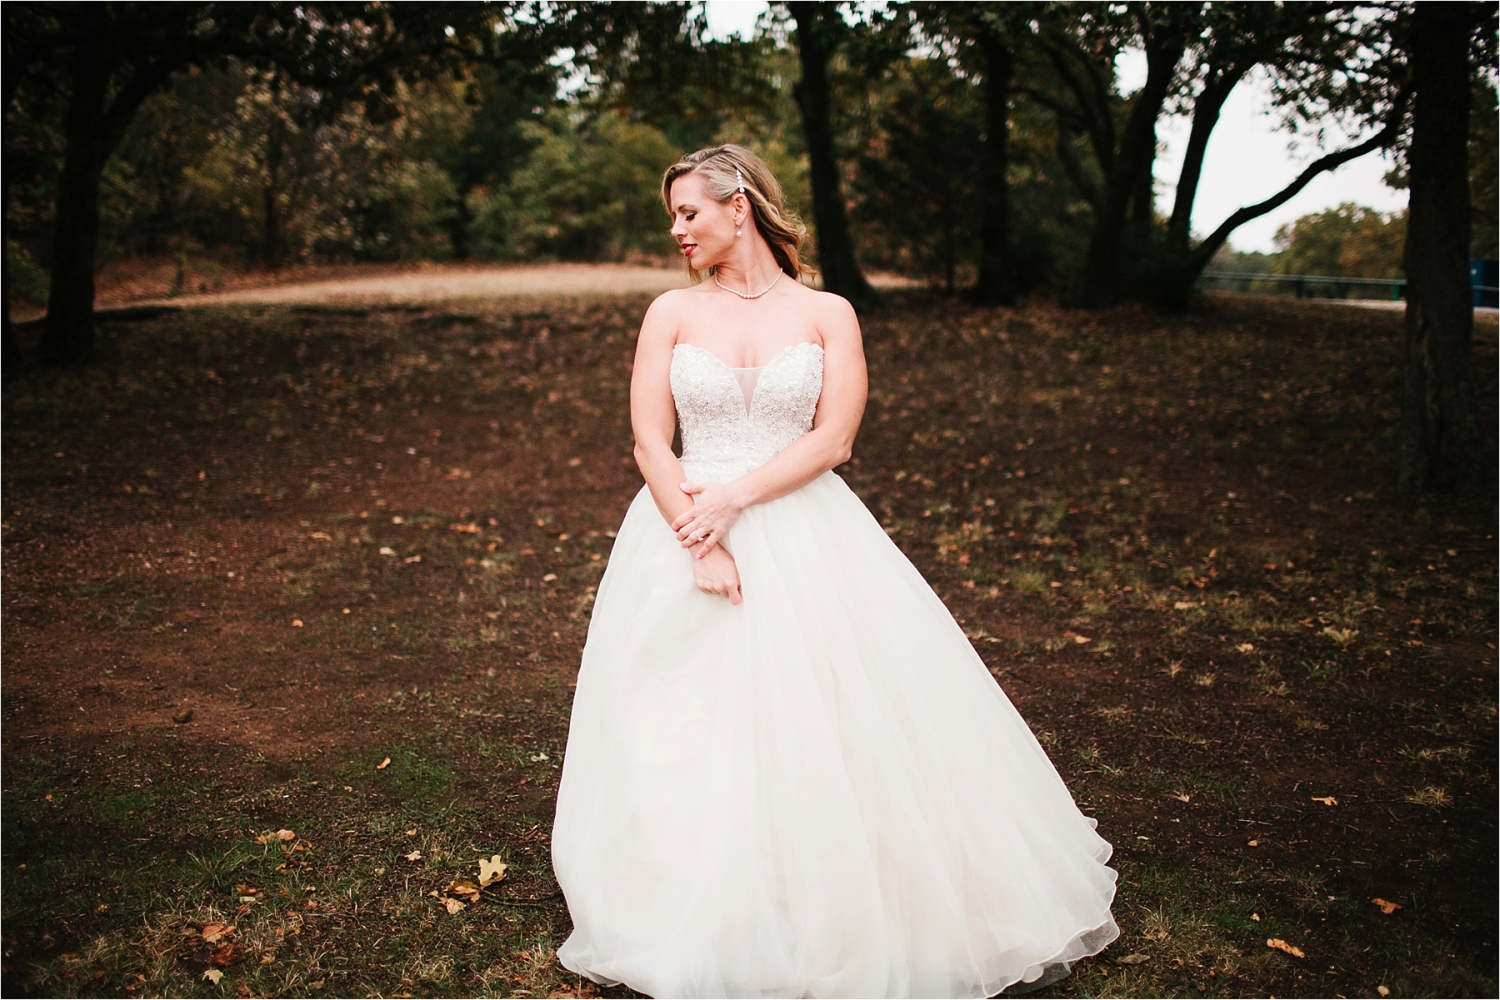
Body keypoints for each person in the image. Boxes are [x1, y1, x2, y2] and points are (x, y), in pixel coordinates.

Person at [550, 144, 1118, 999]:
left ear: (738, 206)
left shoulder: (829, 313)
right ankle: (688, 890)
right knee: (681, 717)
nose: (677, 231)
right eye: (672, 217)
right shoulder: (668, 311)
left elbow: (834, 439)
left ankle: (832, 885)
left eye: (688, 213)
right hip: (682, 528)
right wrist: (701, 542)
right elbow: (646, 441)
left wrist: (734, 500)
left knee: (833, 710)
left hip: (801, 525)